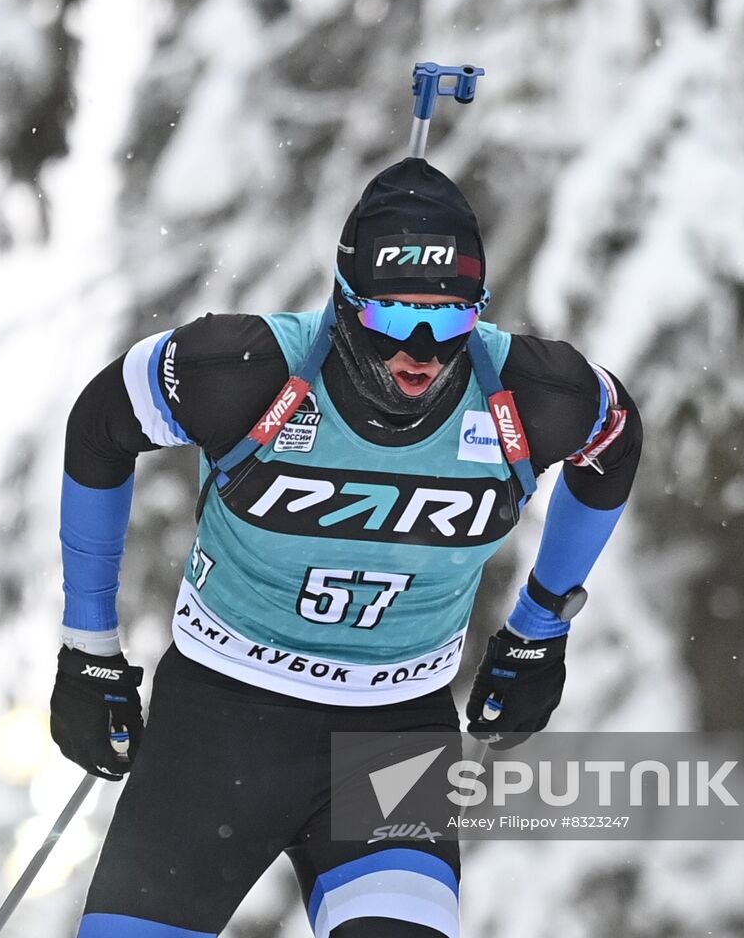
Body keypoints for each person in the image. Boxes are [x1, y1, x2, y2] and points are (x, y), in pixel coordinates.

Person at [49, 157, 642, 937]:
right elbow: (99, 426)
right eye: (396, 319)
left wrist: (540, 630)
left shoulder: (529, 394)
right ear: (345, 302)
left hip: (392, 733)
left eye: (451, 319)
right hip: (220, 723)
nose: (423, 351)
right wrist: (86, 646)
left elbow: (615, 442)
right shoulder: (246, 372)